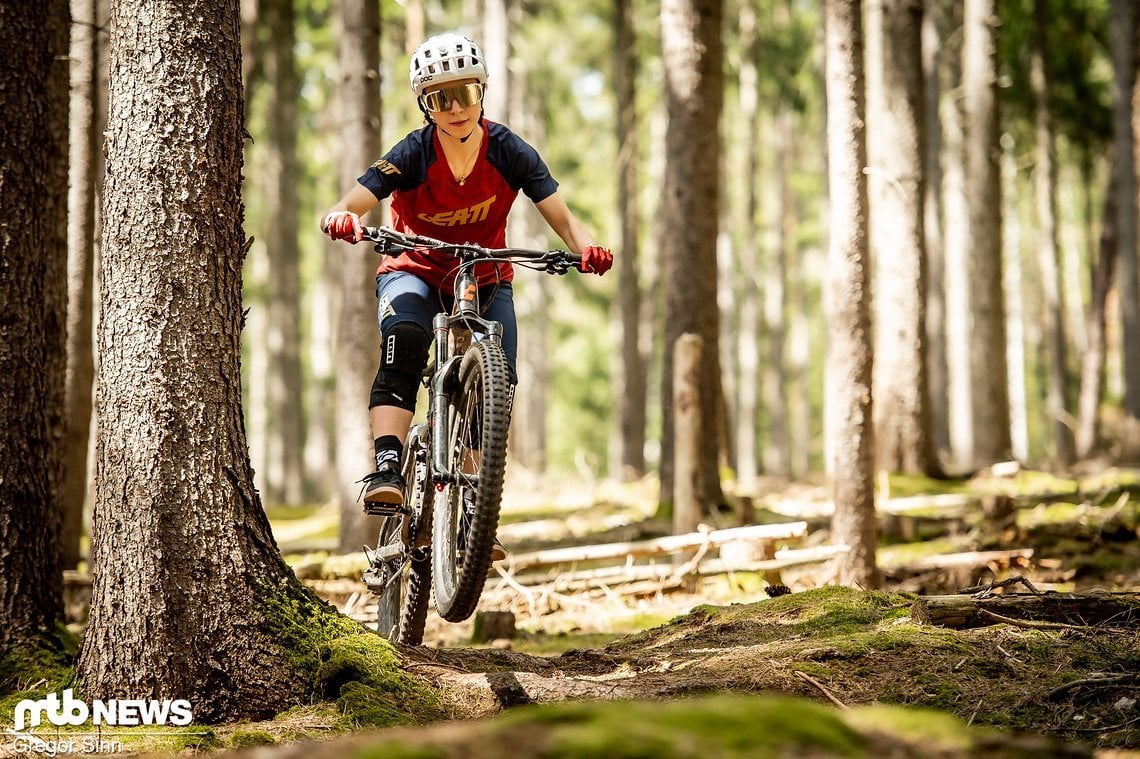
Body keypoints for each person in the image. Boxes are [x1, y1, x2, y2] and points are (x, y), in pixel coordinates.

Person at [321, 32, 612, 556]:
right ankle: (388, 465)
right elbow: (358, 197)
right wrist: (345, 216)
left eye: (466, 94)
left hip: (486, 276)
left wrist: (587, 249)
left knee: (500, 373)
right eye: (441, 98)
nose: (456, 108)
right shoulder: (413, 152)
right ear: (425, 105)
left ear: (483, 93)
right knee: (405, 339)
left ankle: (475, 512)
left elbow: (563, 218)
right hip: (414, 268)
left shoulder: (509, 151)